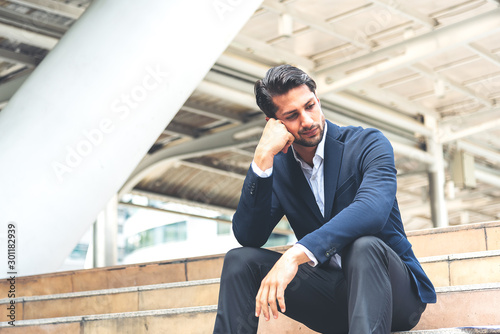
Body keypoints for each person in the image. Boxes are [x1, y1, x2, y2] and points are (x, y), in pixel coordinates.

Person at [213, 64, 436, 334]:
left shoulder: (367, 144)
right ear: (274, 123)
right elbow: (250, 236)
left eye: (310, 106)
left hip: (392, 294)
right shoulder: (280, 168)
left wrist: (295, 254)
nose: (307, 121)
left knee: (362, 246)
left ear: (317, 99)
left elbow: (372, 211)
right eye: (292, 115)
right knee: (239, 261)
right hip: (332, 300)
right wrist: (261, 159)